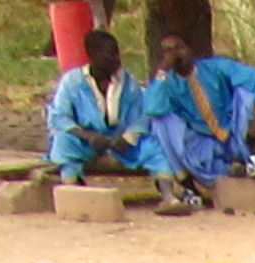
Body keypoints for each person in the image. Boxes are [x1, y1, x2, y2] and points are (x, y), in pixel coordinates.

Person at [145, 29, 255, 185]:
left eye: (179, 48)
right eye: (169, 52)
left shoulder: (216, 67)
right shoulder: (167, 83)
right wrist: (163, 70)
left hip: (237, 131)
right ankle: (224, 173)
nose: (176, 55)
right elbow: (152, 108)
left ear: (189, 50)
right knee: (161, 121)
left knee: (246, 93)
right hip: (206, 142)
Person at [46, 26, 174, 198]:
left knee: (154, 146)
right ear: (93, 55)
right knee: (63, 142)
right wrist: (88, 136)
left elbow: (142, 116)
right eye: (110, 55)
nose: (117, 60)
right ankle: (75, 191)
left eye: (117, 54)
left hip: (120, 141)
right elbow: (59, 117)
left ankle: (169, 197)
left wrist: (128, 138)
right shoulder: (72, 81)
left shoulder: (128, 82)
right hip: (86, 140)